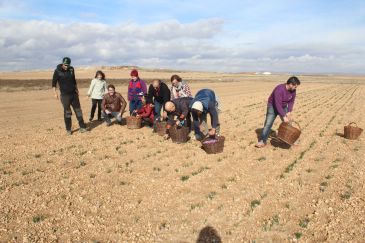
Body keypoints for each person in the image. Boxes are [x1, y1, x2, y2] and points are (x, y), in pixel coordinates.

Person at [255, 76, 301, 148]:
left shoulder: (293, 91)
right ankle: (262, 141)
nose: (296, 88)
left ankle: (292, 139)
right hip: (272, 107)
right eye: (295, 86)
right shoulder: (279, 89)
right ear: (291, 84)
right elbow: (277, 104)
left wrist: (289, 111)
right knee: (268, 124)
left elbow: (292, 101)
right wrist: (283, 116)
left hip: (283, 106)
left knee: (289, 123)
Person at [52, 57, 87, 135]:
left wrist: (77, 89)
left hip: (73, 94)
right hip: (65, 96)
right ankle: (68, 129)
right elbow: (54, 83)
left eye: (68, 65)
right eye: (65, 65)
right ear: (62, 63)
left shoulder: (71, 69)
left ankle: (82, 127)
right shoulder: (57, 71)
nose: (66, 66)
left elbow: (74, 80)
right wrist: (54, 93)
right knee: (67, 112)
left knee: (78, 111)